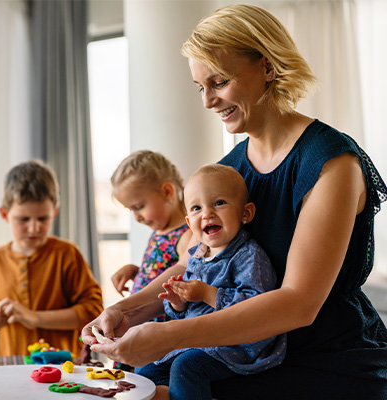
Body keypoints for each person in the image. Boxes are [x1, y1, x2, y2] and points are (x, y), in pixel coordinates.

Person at [82, 4, 387, 399]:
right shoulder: (229, 169)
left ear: (267, 66)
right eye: (200, 87)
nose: (208, 101)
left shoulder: (331, 163)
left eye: (219, 82)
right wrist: (124, 312)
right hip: (237, 352)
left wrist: (169, 335)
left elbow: (299, 304)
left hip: (326, 361)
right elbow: (190, 263)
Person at [135, 164, 286, 399]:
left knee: (187, 367)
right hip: (195, 340)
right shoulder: (198, 253)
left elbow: (257, 308)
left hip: (235, 345)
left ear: (246, 213)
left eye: (219, 203)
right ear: (189, 221)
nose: (207, 214)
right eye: (196, 208)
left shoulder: (249, 256)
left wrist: (207, 294)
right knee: (144, 367)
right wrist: (178, 303)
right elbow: (186, 314)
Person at [0, 160, 103, 357]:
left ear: (55, 213)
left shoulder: (67, 254)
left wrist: (34, 318)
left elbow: (93, 311)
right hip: (11, 366)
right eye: (23, 219)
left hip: (62, 369)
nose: (34, 228)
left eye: (43, 219)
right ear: (4, 214)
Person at [108, 150, 190, 371]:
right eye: (131, 210)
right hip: (137, 325)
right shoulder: (159, 232)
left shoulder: (187, 234)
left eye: (139, 207)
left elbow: (182, 269)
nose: (137, 217)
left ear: (167, 191)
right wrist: (136, 270)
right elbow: (160, 267)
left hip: (158, 334)